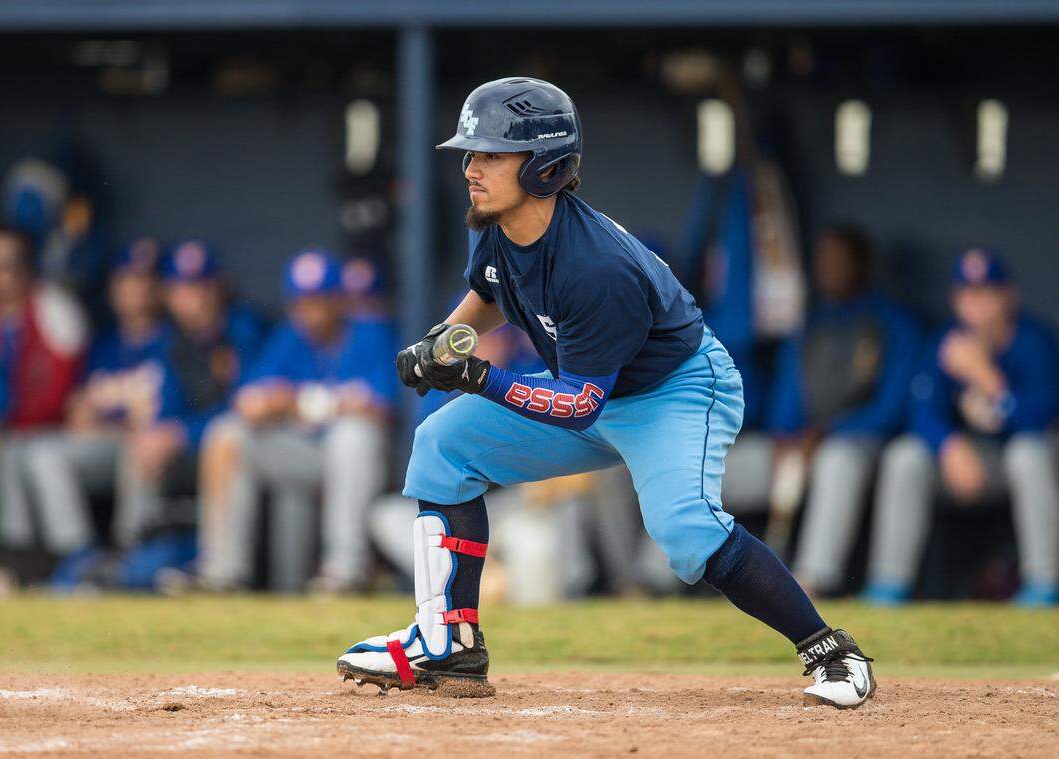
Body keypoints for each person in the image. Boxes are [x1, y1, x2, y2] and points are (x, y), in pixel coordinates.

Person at [336, 77, 875, 708]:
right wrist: (444, 341)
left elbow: (577, 407)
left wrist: (480, 376)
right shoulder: (496, 225)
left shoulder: (597, 267)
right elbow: (490, 291)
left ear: (542, 168)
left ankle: (832, 651)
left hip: (676, 390)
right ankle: (449, 643)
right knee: (441, 445)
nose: (471, 168)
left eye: (490, 155)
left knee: (686, 531)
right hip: (592, 385)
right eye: (471, 154)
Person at [863, 249, 1059, 606]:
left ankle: (1044, 583)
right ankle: (888, 585)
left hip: (1021, 463)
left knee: (1027, 453)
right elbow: (920, 411)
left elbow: (1037, 419)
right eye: (968, 295)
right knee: (906, 457)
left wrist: (985, 376)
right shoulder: (944, 342)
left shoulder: (1033, 341)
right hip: (966, 464)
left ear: (1008, 296)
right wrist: (948, 445)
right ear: (956, 301)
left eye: (987, 294)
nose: (978, 306)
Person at [193, 249, 396, 592]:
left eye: (319, 301)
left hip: (366, 463)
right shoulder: (290, 337)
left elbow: (377, 408)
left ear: (339, 300)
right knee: (226, 433)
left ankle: (345, 571)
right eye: (302, 303)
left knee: (353, 435)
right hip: (305, 454)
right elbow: (248, 403)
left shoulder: (369, 333)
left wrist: (297, 401)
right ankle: (221, 572)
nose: (311, 313)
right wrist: (280, 404)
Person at [764, 227, 920, 595]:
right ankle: (665, 576)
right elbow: (786, 395)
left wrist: (828, 433)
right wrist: (784, 438)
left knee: (838, 460)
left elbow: (892, 408)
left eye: (839, 260)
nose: (828, 269)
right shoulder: (809, 324)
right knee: (712, 461)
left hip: (863, 444)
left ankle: (812, 578)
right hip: (800, 446)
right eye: (823, 260)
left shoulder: (892, 323)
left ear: (862, 265)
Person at [17, 238, 170, 589]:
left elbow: (168, 416)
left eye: (146, 280)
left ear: (161, 289)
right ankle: (78, 557)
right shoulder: (103, 345)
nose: (137, 290)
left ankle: (131, 560)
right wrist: (83, 414)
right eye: (128, 280)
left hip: (152, 447)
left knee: (141, 447)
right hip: (107, 443)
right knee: (45, 452)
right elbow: (79, 407)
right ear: (114, 288)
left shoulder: (174, 343)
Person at [113, 240, 263, 576]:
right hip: (192, 450)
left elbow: (244, 406)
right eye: (182, 288)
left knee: (222, 437)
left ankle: (219, 571)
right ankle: (132, 556)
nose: (193, 297)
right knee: (141, 445)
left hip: (243, 446)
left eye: (201, 286)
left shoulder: (245, 330)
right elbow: (168, 410)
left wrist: (181, 433)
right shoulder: (174, 342)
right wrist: (164, 433)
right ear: (168, 294)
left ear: (218, 288)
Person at [0, 227, 89, 566]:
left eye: (9, 265)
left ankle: (76, 556)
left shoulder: (54, 309)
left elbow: (65, 388)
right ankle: (17, 557)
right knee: (0, 451)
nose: (0, 277)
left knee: (37, 454)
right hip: (13, 437)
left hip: (64, 432)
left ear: (27, 267)